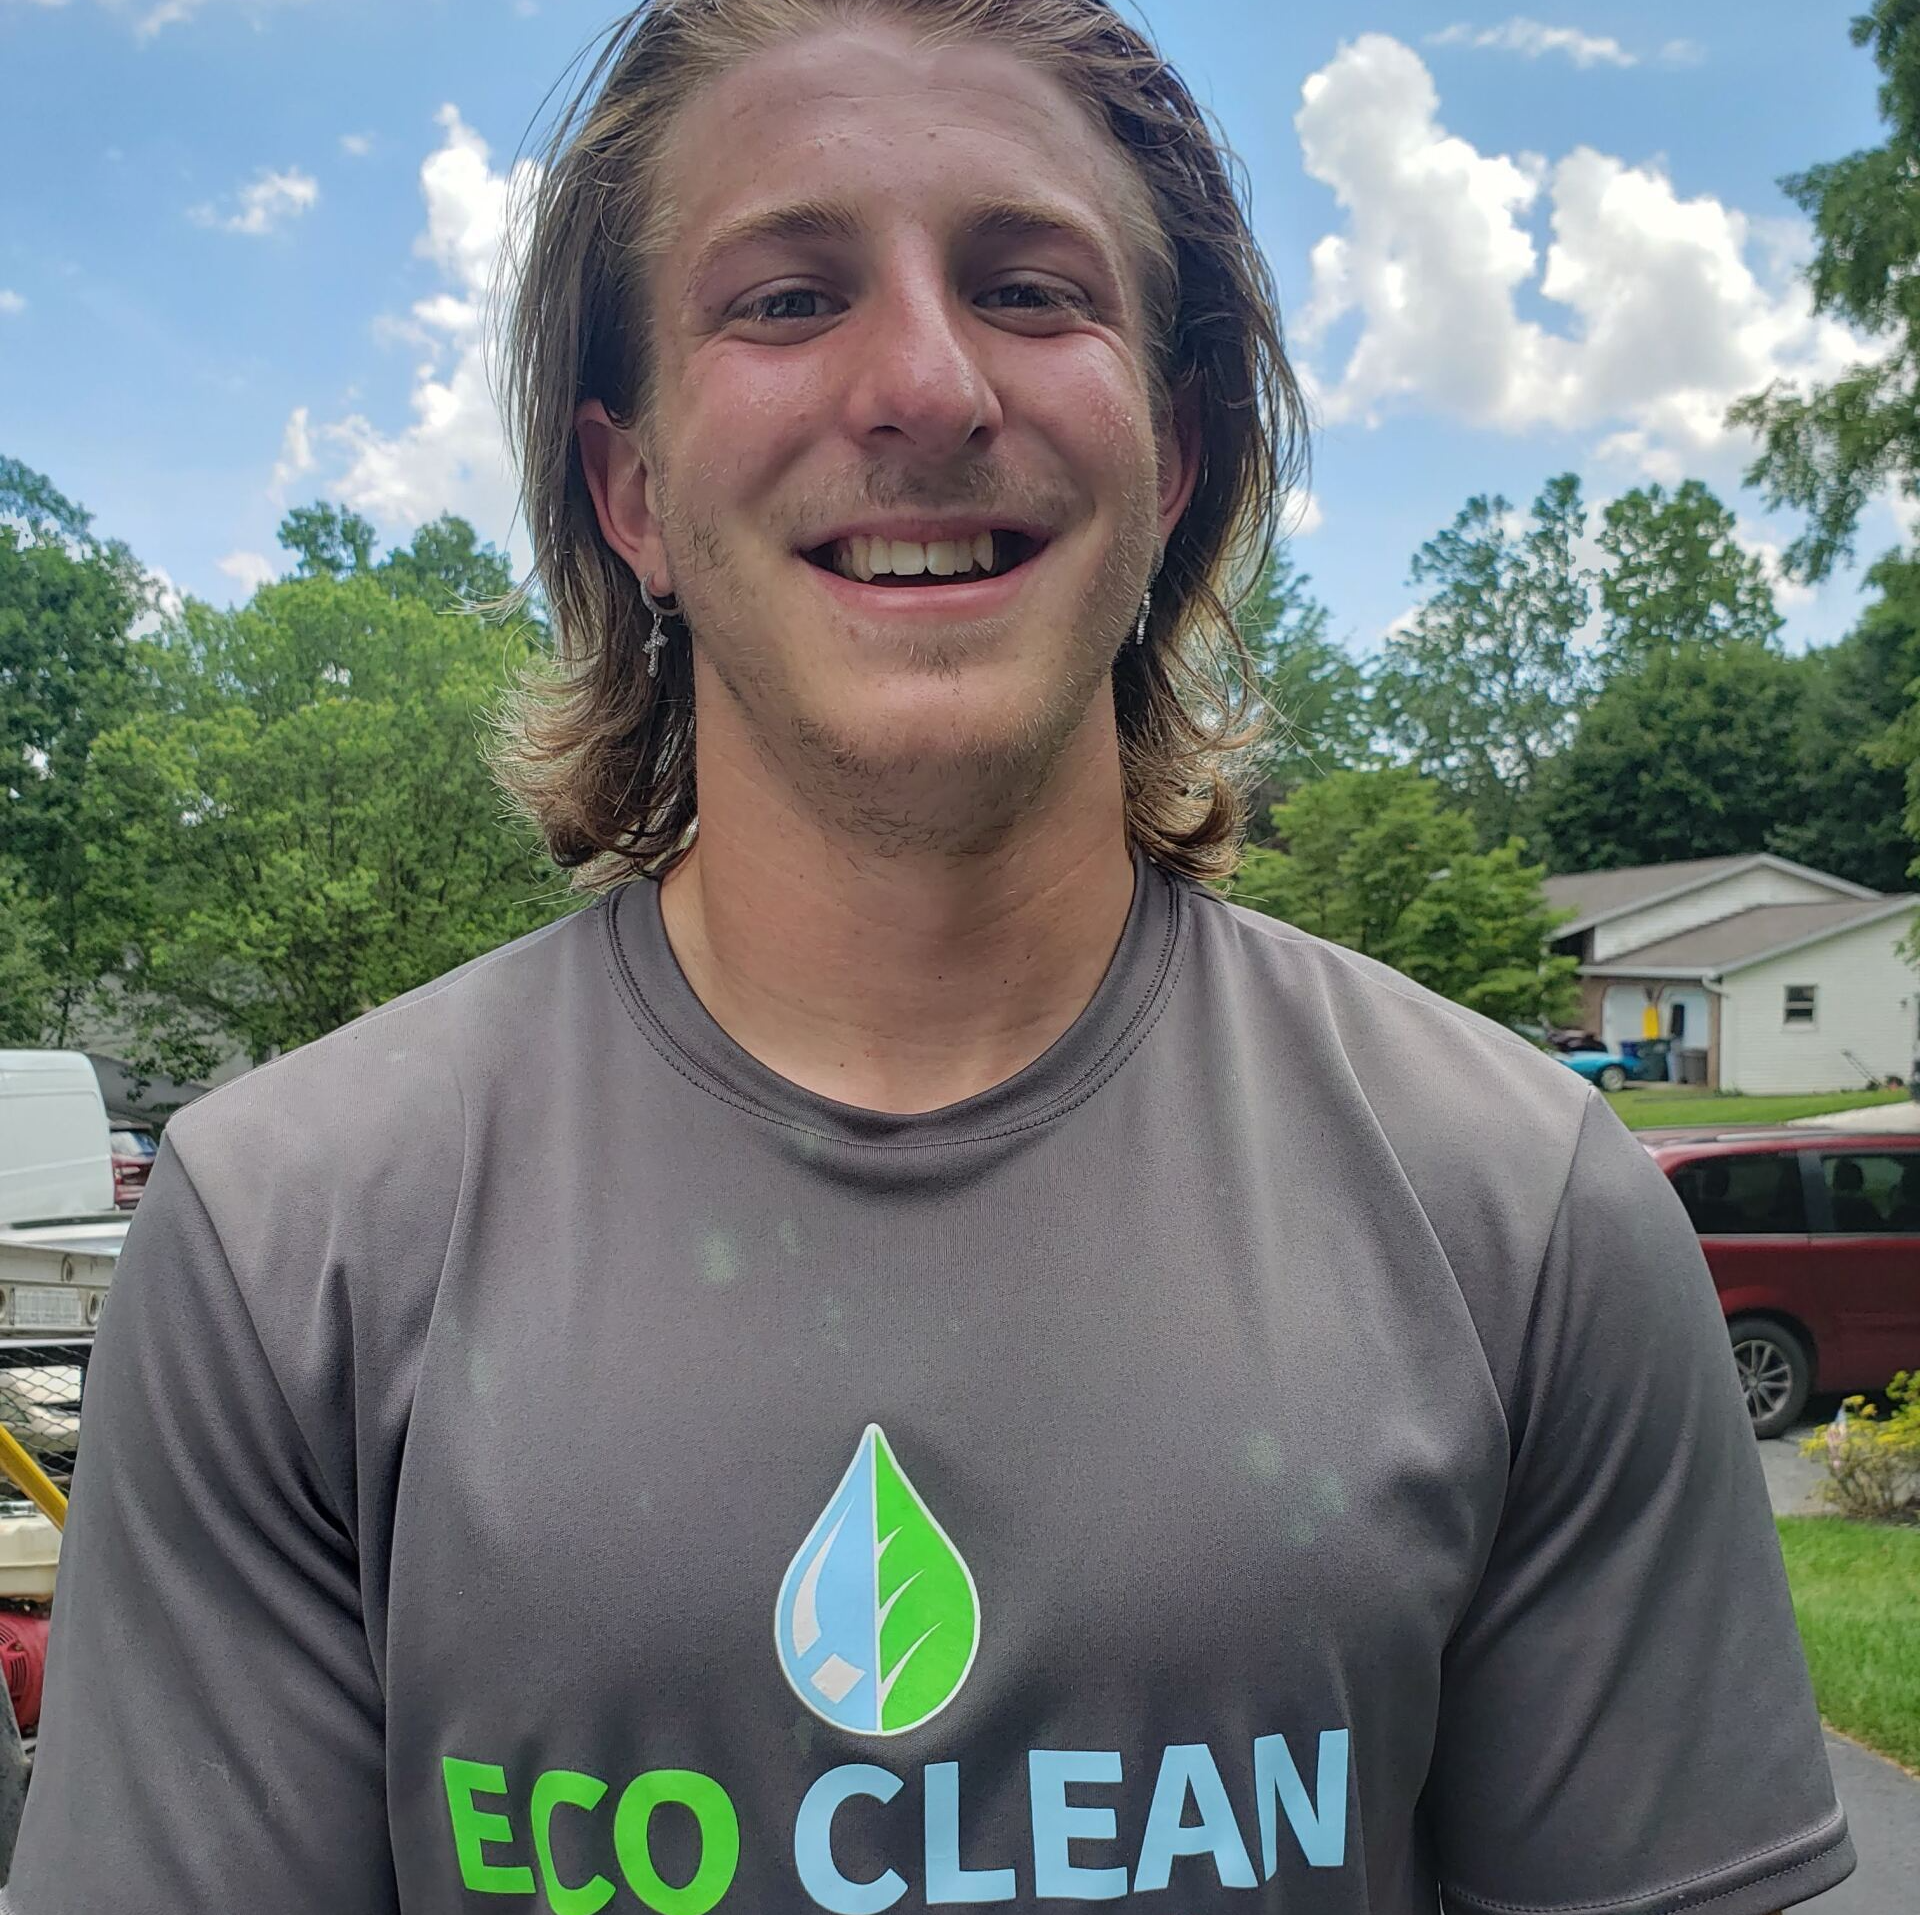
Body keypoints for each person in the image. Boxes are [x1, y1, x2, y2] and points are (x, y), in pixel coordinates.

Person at [5, 4, 1852, 1911]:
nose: (925, 381)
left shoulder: (1521, 1219)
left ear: (1176, 451)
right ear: (628, 487)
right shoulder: (288, 1249)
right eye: (790, 299)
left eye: (1032, 289)